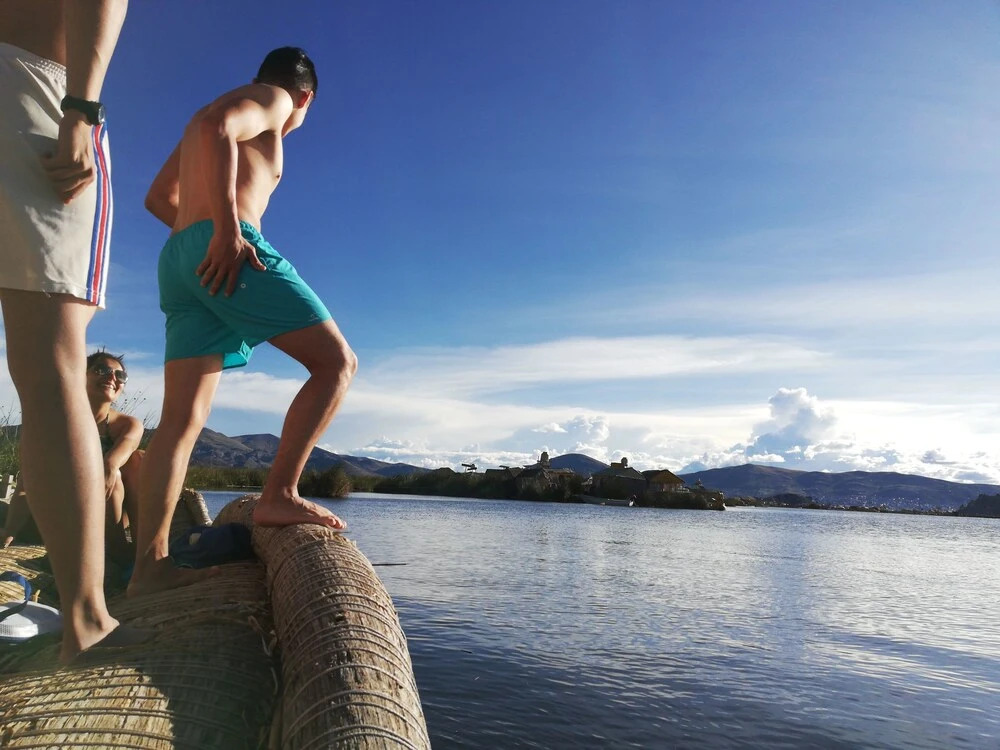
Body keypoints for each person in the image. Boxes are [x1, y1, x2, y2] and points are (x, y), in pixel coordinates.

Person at [134, 47, 357, 597]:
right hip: (225, 245)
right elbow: (220, 126)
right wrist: (226, 231)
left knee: (181, 422)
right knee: (337, 364)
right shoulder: (275, 100)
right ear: (306, 97)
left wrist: (197, 235)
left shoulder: (208, 114)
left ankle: (149, 569)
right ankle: (279, 493)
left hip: (181, 258)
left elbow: (158, 198)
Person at [0, 0, 145, 661]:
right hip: (30, 85)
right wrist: (81, 109)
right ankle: (87, 621)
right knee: (50, 364)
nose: (113, 380)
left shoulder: (124, 423)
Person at [0, 351, 144, 567]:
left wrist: (107, 470)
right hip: (59, 513)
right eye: (102, 370)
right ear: (81, 375)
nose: (112, 377)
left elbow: (111, 464)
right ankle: (115, 551)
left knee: (137, 460)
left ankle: (134, 547)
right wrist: (10, 530)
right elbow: (29, 480)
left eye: (120, 375)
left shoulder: (128, 425)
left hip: (104, 513)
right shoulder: (56, 422)